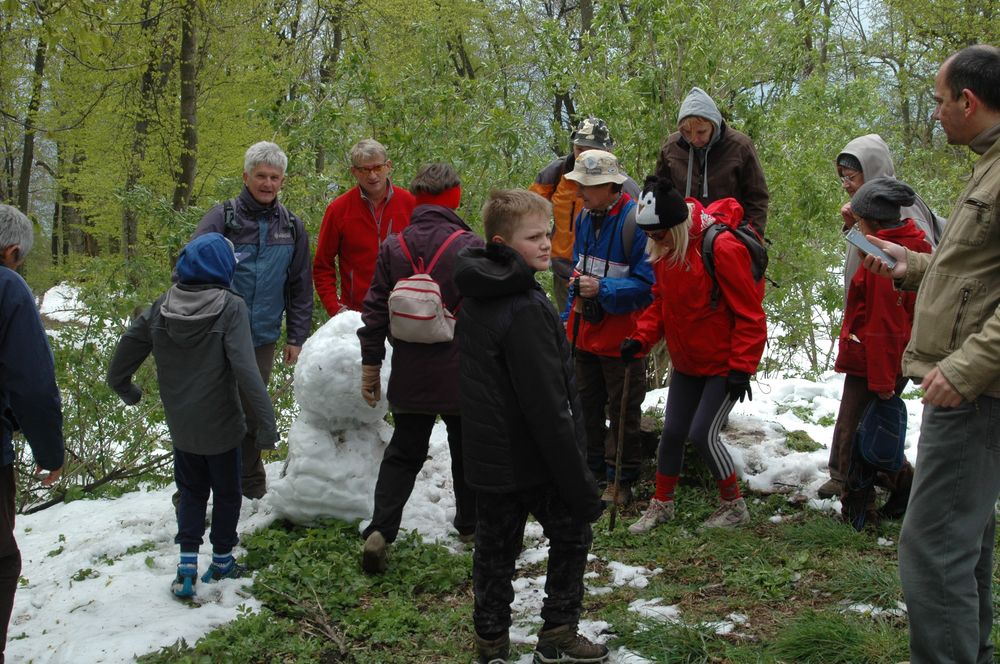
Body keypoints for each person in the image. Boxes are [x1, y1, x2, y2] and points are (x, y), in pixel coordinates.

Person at [862, 44, 1000, 664]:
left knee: (934, 547)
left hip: (974, 392)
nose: (936, 112)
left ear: (968, 101)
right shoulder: (989, 163)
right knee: (962, 541)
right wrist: (912, 264)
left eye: (940, 101)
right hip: (971, 387)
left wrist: (965, 369)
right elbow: (976, 271)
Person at [454, 189, 608, 664]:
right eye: (534, 237)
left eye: (548, 234)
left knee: (494, 551)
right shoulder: (523, 306)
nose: (546, 244)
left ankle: (491, 644)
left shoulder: (476, 294)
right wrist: (580, 482)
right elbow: (547, 405)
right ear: (502, 243)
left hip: (491, 457)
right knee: (572, 532)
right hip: (534, 459)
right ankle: (558, 632)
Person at [107, 233, 278, 598]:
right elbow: (247, 371)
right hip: (223, 427)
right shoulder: (231, 307)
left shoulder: (162, 305)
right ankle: (222, 561)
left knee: (190, 492)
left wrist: (125, 389)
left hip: (182, 427)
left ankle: (186, 567)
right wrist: (267, 425)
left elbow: (126, 351)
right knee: (228, 494)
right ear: (223, 269)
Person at [356, 163, 482, 574]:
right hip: (460, 371)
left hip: (411, 372)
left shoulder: (394, 247)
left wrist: (371, 366)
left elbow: (375, 312)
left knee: (403, 453)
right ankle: (470, 526)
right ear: (454, 196)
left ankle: (381, 528)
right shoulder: (470, 246)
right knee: (467, 451)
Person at [621, 176, 766, 533]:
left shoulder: (721, 248)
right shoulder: (665, 250)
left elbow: (750, 315)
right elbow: (662, 304)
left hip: (724, 364)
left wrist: (741, 368)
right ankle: (662, 504)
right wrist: (640, 339)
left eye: (659, 234)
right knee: (672, 433)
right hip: (687, 362)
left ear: (676, 226)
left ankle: (734, 507)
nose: (655, 242)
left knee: (702, 434)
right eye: (649, 235)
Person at [818, 135, 944, 499]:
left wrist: (884, 369)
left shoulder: (903, 209)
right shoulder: (872, 207)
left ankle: (869, 487)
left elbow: (900, 270)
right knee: (862, 415)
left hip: (886, 342)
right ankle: (859, 478)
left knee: (864, 417)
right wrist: (854, 226)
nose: (846, 184)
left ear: (871, 170)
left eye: (851, 176)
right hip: (870, 338)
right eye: (842, 177)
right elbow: (875, 253)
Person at [193, 141, 312, 499]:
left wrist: (297, 336)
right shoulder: (221, 218)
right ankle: (194, 490)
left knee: (251, 412)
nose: (267, 183)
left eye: (274, 177)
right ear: (246, 177)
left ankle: (249, 484)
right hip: (215, 334)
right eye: (261, 176)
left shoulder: (292, 227)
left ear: (282, 181)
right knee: (209, 410)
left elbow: (299, 285)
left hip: (260, 337)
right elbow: (190, 270)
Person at [832, 178, 931, 528]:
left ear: (872, 221)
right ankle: (905, 487)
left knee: (855, 435)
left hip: (876, 360)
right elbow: (868, 245)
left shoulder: (883, 263)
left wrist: (882, 380)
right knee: (876, 428)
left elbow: (884, 325)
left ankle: (860, 515)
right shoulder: (911, 243)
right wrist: (853, 226)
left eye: (861, 221)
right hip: (889, 358)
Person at [563, 149, 653, 505]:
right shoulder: (584, 217)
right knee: (585, 406)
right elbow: (577, 270)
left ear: (609, 186)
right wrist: (568, 319)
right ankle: (591, 472)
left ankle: (621, 481)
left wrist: (602, 289)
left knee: (623, 410)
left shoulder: (637, 222)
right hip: (585, 333)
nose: (580, 192)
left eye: (586, 186)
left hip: (623, 339)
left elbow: (648, 287)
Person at [0, 204, 64, 663]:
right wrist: (50, 452)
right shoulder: (8, 288)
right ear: (12, 252)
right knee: (2, 560)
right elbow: (34, 385)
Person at [529, 117, 640, 313]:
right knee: (572, 321)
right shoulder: (557, 173)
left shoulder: (624, 186)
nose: (584, 155)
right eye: (580, 149)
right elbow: (528, 211)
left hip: (611, 275)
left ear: (608, 152)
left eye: (592, 150)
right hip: (564, 268)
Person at [314, 138, 417, 315]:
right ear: (354, 171)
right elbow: (322, 265)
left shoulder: (411, 204)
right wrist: (335, 308)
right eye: (364, 170)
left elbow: (427, 257)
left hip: (406, 311)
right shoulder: (338, 210)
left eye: (378, 168)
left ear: (388, 166)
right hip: (357, 315)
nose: (372, 175)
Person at [654, 86, 769, 236]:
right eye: (687, 132)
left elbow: (757, 198)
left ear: (714, 124)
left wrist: (750, 237)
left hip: (729, 237)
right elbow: (659, 194)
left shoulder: (740, 147)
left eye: (701, 132)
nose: (694, 139)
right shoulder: (671, 147)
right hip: (682, 237)